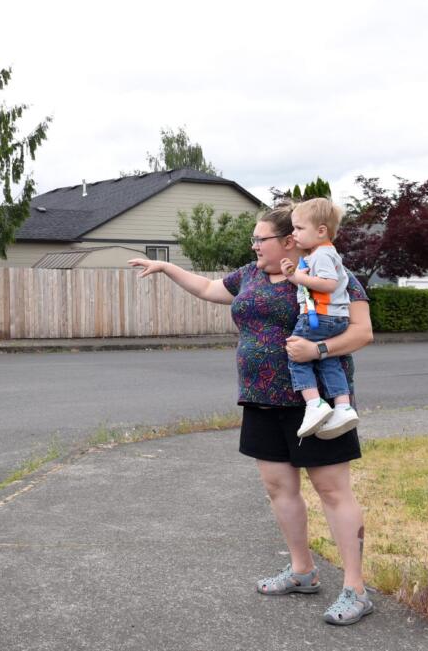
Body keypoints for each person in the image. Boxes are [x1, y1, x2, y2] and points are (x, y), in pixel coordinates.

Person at [128, 205, 375, 626]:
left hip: (313, 405)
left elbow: (361, 332)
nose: (254, 245)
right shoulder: (251, 274)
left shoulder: (331, 274)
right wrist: (166, 267)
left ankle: (356, 589)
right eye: (254, 239)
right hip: (260, 398)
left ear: (289, 241)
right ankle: (302, 572)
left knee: (332, 491)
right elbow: (208, 288)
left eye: (261, 239)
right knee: (279, 487)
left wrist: (317, 350)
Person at [280, 198, 359, 440]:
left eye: (299, 228)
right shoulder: (322, 254)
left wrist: (298, 279)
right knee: (329, 362)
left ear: (321, 230)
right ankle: (343, 406)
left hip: (319, 316)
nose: (294, 234)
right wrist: (295, 274)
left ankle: (314, 404)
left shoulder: (322, 254)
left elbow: (327, 284)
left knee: (296, 354)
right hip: (334, 318)